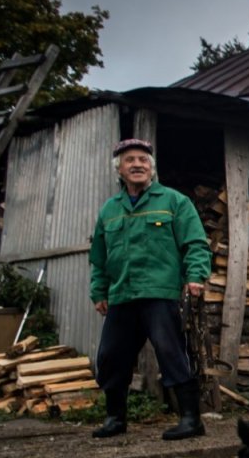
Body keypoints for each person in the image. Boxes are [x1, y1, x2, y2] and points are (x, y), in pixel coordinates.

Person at [88, 138, 211, 440]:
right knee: (110, 357)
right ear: (120, 169)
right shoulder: (109, 210)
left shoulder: (173, 201)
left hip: (161, 293)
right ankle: (115, 419)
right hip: (122, 295)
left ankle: (191, 420)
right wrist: (99, 291)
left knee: (171, 353)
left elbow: (195, 243)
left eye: (143, 159)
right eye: (130, 160)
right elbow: (99, 256)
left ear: (152, 168)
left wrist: (195, 275)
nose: (137, 164)